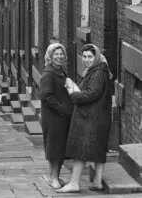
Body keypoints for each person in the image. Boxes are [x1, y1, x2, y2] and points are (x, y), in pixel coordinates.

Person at [57, 44, 113, 193]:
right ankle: (97, 182)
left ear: (96, 57)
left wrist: (73, 94)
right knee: (98, 150)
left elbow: (91, 94)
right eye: (84, 57)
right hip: (98, 117)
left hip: (90, 119)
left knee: (80, 151)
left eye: (90, 56)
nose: (86, 60)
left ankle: (74, 183)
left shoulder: (98, 73)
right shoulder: (97, 70)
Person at [40, 43, 73, 189]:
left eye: (61, 54)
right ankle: (53, 178)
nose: (59, 57)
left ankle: (56, 177)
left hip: (62, 116)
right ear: (50, 56)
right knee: (53, 148)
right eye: (56, 54)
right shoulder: (48, 74)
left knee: (60, 148)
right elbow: (46, 97)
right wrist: (62, 109)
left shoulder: (60, 71)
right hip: (53, 117)